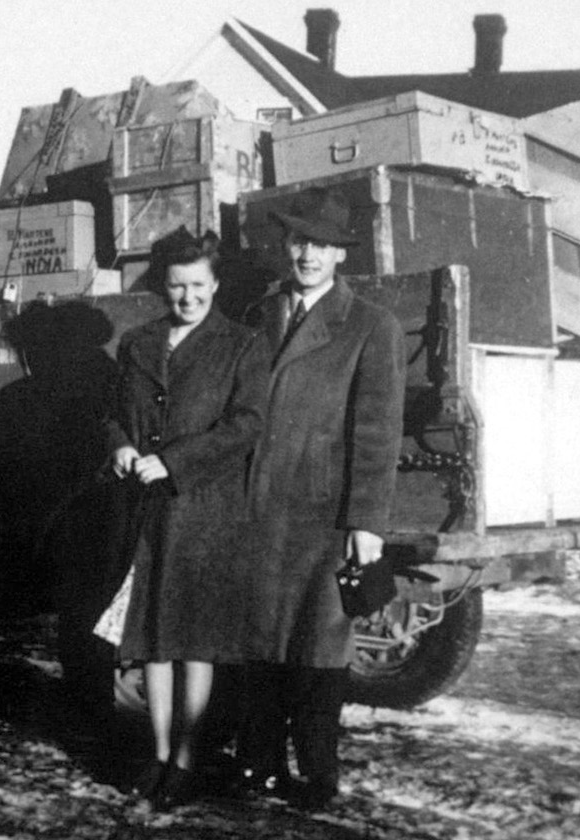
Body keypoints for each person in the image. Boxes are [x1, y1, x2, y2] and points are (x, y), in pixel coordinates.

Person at [236, 188, 405, 811]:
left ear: (340, 255)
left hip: (321, 514)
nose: (309, 254)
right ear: (287, 247)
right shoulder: (260, 314)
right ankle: (257, 764)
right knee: (259, 641)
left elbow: (376, 431)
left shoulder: (369, 326)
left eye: (323, 245)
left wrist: (366, 524)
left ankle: (316, 772)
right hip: (256, 506)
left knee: (318, 647)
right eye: (300, 242)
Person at [104, 227, 269, 809]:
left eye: (198, 285)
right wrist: (121, 444)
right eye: (177, 286)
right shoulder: (139, 342)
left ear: (215, 284)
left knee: (195, 641)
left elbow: (246, 425)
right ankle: (155, 754)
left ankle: (187, 757)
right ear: (162, 287)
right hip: (149, 515)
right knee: (152, 641)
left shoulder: (243, 345)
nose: (188, 297)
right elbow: (113, 413)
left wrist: (171, 463)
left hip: (205, 511)